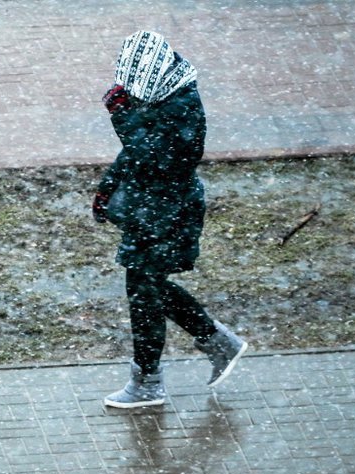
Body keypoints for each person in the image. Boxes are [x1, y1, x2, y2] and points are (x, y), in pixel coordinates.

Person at [93, 31, 248, 408]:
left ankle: (149, 381)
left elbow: (154, 158)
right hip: (150, 209)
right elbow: (134, 155)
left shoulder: (182, 107)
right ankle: (215, 343)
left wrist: (122, 117)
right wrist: (108, 187)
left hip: (167, 212)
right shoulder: (162, 96)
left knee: (144, 291)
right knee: (148, 288)